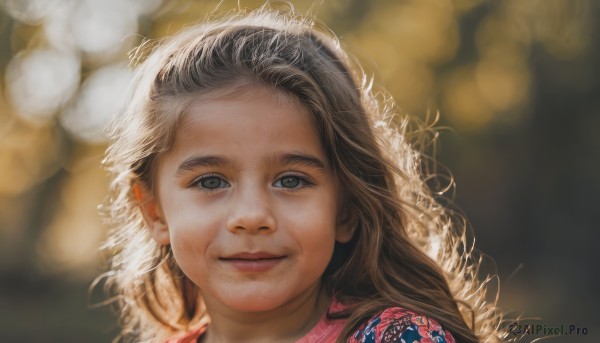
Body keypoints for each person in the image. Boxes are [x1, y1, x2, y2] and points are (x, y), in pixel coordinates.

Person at [100, 4, 504, 343]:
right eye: (210, 181)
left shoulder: (398, 337)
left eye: (291, 180)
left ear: (345, 208)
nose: (252, 217)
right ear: (154, 213)